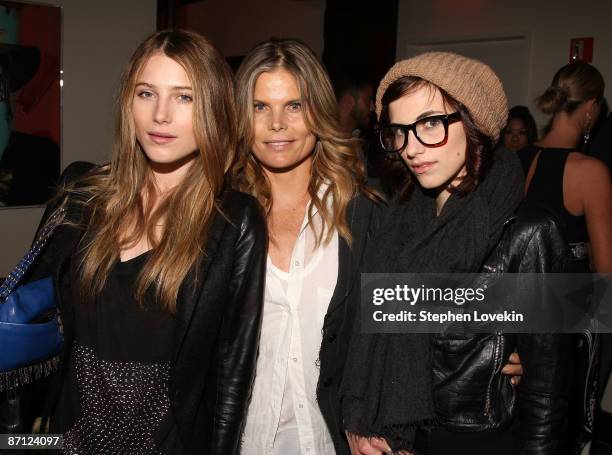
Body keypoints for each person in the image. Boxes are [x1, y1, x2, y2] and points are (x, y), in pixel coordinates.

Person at [232, 40, 523, 455]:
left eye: (294, 105)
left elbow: (408, 299)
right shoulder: (220, 217)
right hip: (244, 434)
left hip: (334, 434)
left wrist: (518, 342)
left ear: (318, 110)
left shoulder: (367, 212)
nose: (277, 123)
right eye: (260, 106)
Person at [29, 30, 266, 454]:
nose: (160, 115)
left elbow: (233, 371)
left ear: (213, 108)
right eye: (146, 93)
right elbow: (35, 311)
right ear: (128, 102)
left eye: (184, 97)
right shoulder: (81, 193)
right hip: (68, 437)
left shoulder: (233, 219)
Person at [341, 52, 571, 455]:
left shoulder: (528, 232)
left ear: (474, 122)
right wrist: (358, 423)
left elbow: (548, 399)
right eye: (400, 131)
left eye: (430, 123)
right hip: (396, 442)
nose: (411, 148)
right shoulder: (392, 220)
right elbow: (367, 331)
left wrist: (508, 347)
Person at [518, 61, 612, 454]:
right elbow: (606, 272)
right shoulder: (589, 170)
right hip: (572, 317)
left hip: (522, 306)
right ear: (590, 107)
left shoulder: (518, 159)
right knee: (569, 425)